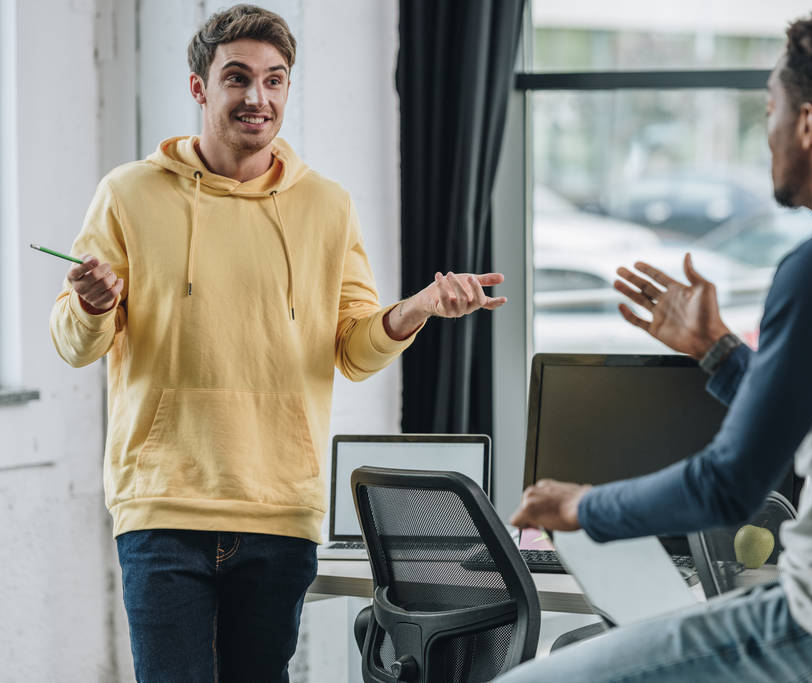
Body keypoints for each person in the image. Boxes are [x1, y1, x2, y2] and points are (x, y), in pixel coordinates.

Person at [502, 9, 812, 683]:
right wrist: (715, 350)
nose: (763, 132)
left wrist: (578, 506)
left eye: (768, 110)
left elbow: (728, 483)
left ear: (806, 123)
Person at [48, 5, 505, 682]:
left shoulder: (327, 205)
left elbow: (352, 349)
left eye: (274, 79)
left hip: (279, 508)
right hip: (163, 506)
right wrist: (92, 305)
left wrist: (418, 308)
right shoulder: (127, 195)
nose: (256, 97)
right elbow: (74, 344)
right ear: (200, 87)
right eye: (237, 78)